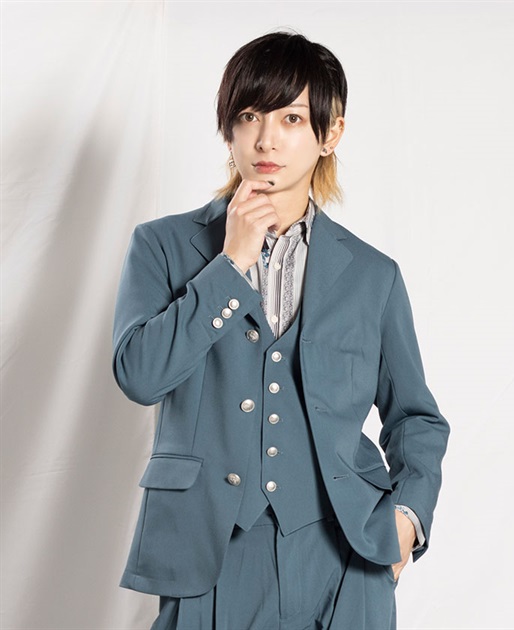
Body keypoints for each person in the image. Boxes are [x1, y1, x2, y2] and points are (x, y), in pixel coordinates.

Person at [112, 30, 450, 630]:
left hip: (345, 554)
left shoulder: (373, 275)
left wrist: (407, 520)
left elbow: (417, 418)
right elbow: (139, 375)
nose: (266, 139)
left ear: (330, 133)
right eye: (249, 116)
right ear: (229, 129)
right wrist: (229, 265)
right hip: (209, 552)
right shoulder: (162, 246)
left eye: (291, 118)